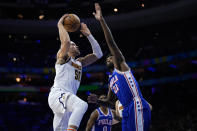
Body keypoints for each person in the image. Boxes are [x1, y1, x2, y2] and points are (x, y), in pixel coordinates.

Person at [88, 3, 151, 131]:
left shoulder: (121, 67)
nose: (109, 58)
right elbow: (110, 102)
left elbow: (111, 43)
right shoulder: (111, 80)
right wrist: (97, 101)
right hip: (126, 111)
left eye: (111, 57)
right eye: (107, 59)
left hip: (136, 105)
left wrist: (101, 21)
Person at [48, 14, 103, 131]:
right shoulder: (62, 58)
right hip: (59, 95)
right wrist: (60, 25)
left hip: (68, 100)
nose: (76, 45)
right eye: (73, 44)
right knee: (82, 105)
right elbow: (66, 42)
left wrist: (89, 35)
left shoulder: (79, 62)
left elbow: (98, 54)